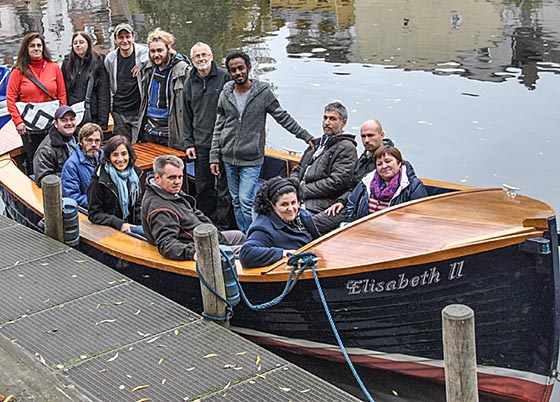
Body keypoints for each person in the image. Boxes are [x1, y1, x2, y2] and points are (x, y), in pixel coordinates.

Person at [209, 51, 313, 233]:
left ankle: (255, 236)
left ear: (249, 68)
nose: (238, 73)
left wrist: (305, 136)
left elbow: (282, 117)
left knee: (245, 200)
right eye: (233, 70)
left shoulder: (263, 93)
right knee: (235, 201)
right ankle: (244, 237)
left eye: (241, 68)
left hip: (251, 158)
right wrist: (214, 156)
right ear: (229, 73)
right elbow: (219, 125)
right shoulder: (226, 92)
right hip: (228, 157)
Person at [142, 155, 245, 261]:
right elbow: (167, 244)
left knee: (239, 236)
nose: (177, 182)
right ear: (157, 178)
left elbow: (196, 213)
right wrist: (193, 253)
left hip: (206, 236)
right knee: (246, 252)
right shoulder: (160, 209)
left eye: (180, 177)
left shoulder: (170, 191)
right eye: (171, 177)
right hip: (197, 246)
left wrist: (214, 233)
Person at [312, 119, 402, 234]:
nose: (366, 140)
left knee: (315, 223)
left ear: (381, 135)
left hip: (361, 212)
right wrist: (342, 201)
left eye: (370, 136)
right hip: (350, 203)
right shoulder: (365, 157)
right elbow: (354, 186)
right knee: (310, 221)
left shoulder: (388, 165)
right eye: (363, 137)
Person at [183, 42, 234, 229]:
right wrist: (189, 143)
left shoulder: (224, 78)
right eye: (197, 56)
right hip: (200, 143)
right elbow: (186, 115)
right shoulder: (189, 82)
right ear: (192, 60)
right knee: (203, 187)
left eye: (204, 55)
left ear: (212, 56)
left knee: (223, 187)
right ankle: (206, 223)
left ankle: (225, 226)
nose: (201, 59)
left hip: (222, 143)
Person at [6, 32, 67, 171]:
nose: (36, 48)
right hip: (29, 126)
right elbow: (10, 98)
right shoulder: (18, 71)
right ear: (26, 49)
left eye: (39, 45)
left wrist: (61, 118)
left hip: (52, 122)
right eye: (32, 46)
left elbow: (62, 95)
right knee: (34, 157)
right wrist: (18, 122)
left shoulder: (54, 67)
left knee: (56, 156)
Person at [289, 101, 357, 214]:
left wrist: (301, 191)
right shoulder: (317, 144)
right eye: (325, 118)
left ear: (343, 123)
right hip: (297, 196)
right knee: (262, 206)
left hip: (319, 203)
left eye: (332, 119)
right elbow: (298, 168)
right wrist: (292, 185)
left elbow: (335, 182)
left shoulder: (347, 148)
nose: (327, 122)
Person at [239, 177, 320, 268]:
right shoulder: (264, 227)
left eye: (293, 203)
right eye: (284, 204)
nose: (291, 209)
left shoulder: (302, 215)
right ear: (272, 205)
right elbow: (246, 253)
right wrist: (283, 253)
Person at [136, 28, 190, 150]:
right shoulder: (148, 70)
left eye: (160, 50)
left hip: (171, 133)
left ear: (168, 49)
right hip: (149, 132)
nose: (156, 55)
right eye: (152, 51)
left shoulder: (182, 70)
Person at [345, 145, 427, 223]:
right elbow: (351, 204)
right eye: (379, 164)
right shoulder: (367, 181)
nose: (384, 166)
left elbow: (419, 216)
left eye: (388, 161)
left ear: (399, 162)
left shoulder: (413, 186)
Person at [87, 135, 143, 233]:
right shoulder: (99, 179)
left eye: (124, 154)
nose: (120, 159)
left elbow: (137, 206)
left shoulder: (135, 176)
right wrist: (119, 224)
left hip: (131, 227)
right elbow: (94, 214)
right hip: (110, 229)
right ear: (109, 157)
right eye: (115, 155)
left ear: (129, 155)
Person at [104, 23, 149, 142]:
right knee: (121, 144)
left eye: (127, 36)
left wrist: (141, 63)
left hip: (138, 110)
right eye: (121, 37)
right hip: (119, 110)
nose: (125, 40)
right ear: (115, 40)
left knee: (138, 146)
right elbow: (108, 83)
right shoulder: (110, 59)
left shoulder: (142, 52)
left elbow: (156, 53)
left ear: (133, 37)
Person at [61, 31, 110, 130]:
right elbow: (64, 90)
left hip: (92, 114)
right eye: (75, 43)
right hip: (73, 115)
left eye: (81, 42)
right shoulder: (67, 63)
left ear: (88, 44)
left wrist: (102, 123)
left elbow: (103, 93)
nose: (78, 45)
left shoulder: (98, 62)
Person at [33, 106, 77, 186]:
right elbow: (43, 180)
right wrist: (72, 175)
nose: (69, 123)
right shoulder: (45, 150)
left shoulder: (79, 138)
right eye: (64, 120)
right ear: (56, 124)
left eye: (72, 119)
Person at [61, 123, 103, 207]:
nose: (93, 144)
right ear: (81, 142)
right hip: (89, 209)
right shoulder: (71, 165)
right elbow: (72, 196)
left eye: (97, 140)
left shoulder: (107, 158)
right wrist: (98, 204)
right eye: (89, 140)